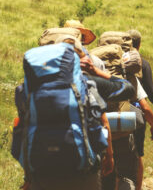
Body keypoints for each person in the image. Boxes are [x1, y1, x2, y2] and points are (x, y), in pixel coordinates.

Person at [14, 25, 135, 190]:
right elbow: (127, 88)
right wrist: (96, 72)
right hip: (82, 173)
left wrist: (28, 176)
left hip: (41, 172)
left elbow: (23, 128)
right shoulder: (89, 85)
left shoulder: (27, 90)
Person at [127, 30, 153, 190]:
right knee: (137, 155)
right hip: (137, 115)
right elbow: (149, 92)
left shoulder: (115, 63)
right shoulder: (142, 63)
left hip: (111, 114)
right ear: (139, 44)